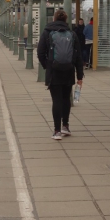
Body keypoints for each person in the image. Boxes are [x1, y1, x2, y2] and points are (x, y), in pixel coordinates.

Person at [37, 8, 83, 140]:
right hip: (68, 71)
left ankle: (57, 131)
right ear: (66, 20)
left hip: (54, 72)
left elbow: (40, 53)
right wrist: (79, 76)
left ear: (54, 19)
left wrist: (48, 66)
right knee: (65, 99)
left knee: (56, 100)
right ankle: (66, 126)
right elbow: (78, 57)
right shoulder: (72, 33)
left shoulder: (47, 32)